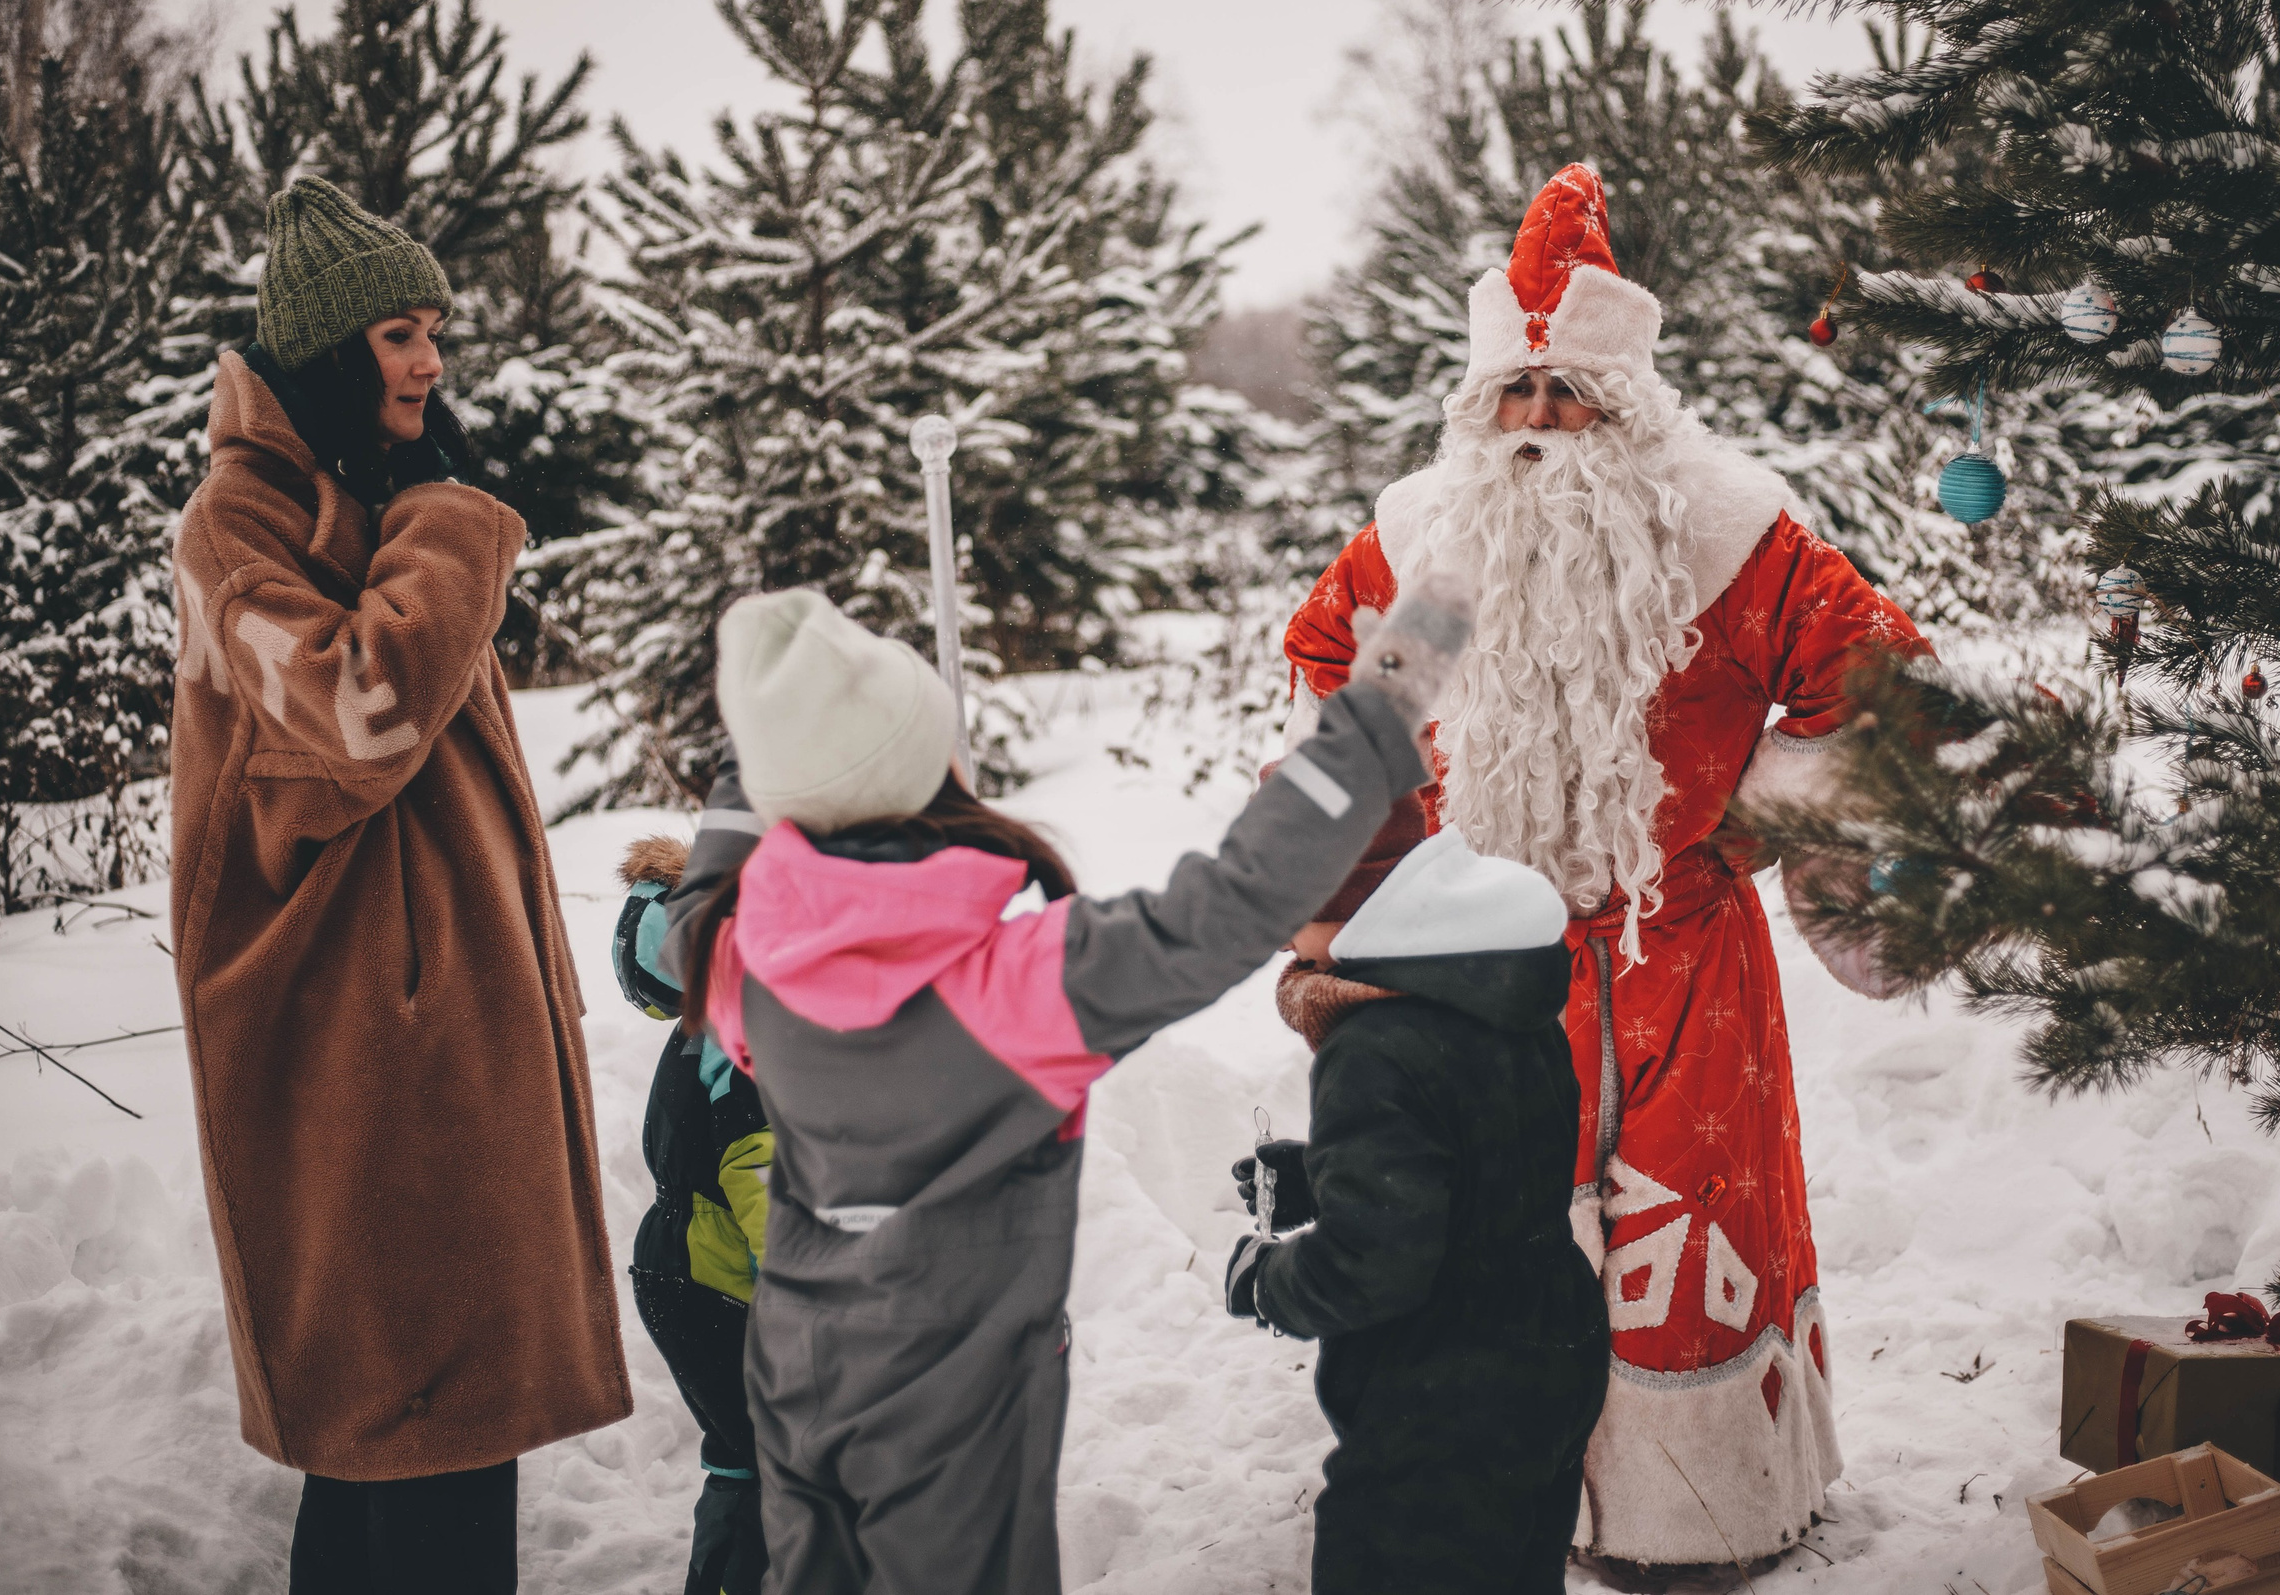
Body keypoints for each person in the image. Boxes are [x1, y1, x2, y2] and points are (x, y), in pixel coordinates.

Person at [1280, 163, 1930, 1572]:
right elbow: (1353, 718)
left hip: (1678, 959)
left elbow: (1883, 681)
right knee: (1490, 1251)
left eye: (1568, 394)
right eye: (1511, 398)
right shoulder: (1425, 548)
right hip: (1470, 980)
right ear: (1473, 410)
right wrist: (1342, 924)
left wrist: (1756, 819)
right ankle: (1513, 1498)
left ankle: (1688, 1516)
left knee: (1685, 1243)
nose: (1536, 425)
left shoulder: (1730, 536)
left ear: (1627, 404)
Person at [658, 575, 1468, 1595]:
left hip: (800, 1368)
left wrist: (765, 744)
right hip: (956, 1399)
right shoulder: (1015, 987)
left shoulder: (750, 959)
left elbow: (697, 907)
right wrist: (1378, 714)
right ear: (926, 767)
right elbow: (1234, 900)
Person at [166, 176, 629, 1592]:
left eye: (433, 329)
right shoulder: (235, 532)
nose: (430, 360)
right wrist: (446, 525)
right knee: (417, 1445)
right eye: (395, 335)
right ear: (321, 352)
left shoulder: (357, 494)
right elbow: (361, 715)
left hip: (425, 1060)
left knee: (405, 1449)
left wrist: (419, 511)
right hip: (354, 1062)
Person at [1224, 797, 1609, 1595]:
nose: (1279, 940)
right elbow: (1483, 1146)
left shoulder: (1371, 1044)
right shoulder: (1495, 986)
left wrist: (1267, 1281)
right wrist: (1320, 1170)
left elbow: (1375, 1265)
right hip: (1551, 1344)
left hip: (1444, 1387)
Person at [612, 836, 774, 1595]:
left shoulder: (710, 1018)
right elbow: (762, 1167)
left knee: (747, 1447)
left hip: (680, 1272)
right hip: (720, 1284)